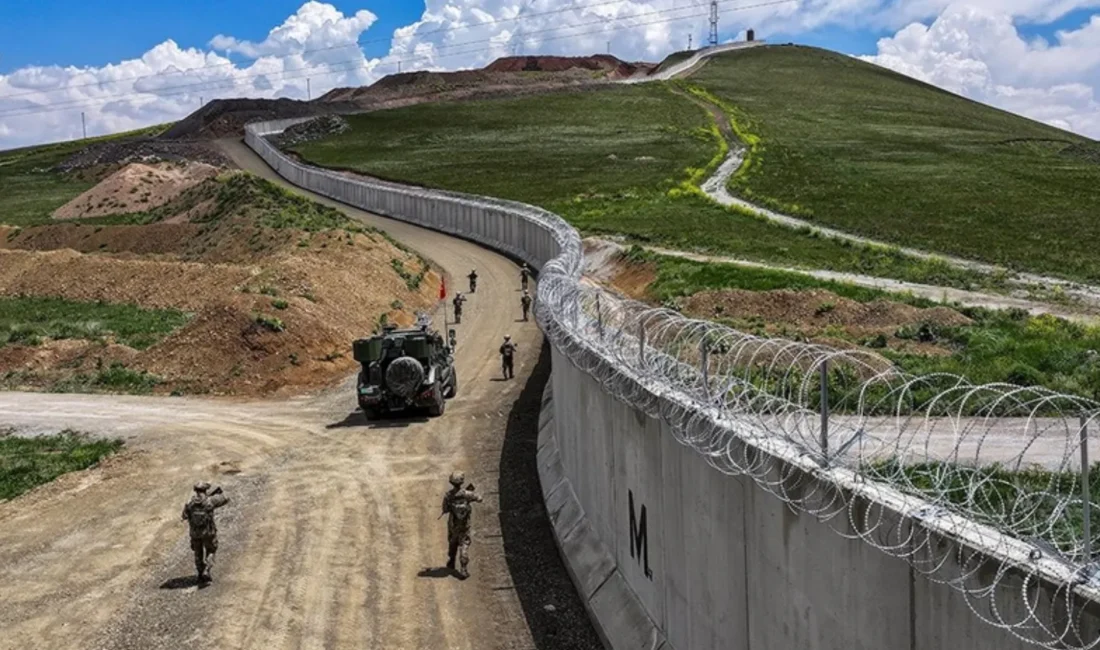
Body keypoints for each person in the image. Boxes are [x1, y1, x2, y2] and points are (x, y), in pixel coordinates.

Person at [181, 482, 230, 584]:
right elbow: (226, 498)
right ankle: (208, 569)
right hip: (208, 532)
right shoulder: (210, 501)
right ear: (205, 490)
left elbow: (184, 516)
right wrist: (217, 493)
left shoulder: (190, 502)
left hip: (195, 533)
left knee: (198, 554)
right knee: (211, 550)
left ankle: (199, 574)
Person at [441, 472, 483, 578]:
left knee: (452, 542)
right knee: (464, 545)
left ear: (451, 482)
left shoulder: (448, 495)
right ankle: (463, 569)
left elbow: (445, 509)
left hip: (453, 524)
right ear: (462, 481)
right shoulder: (467, 494)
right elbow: (480, 498)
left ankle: (451, 561)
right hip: (465, 524)